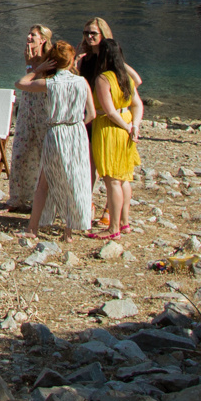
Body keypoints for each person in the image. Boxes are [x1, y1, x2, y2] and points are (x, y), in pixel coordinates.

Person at [80, 17, 142, 240]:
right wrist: (133, 126)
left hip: (107, 125)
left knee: (112, 178)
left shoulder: (104, 77)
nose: (89, 37)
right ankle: (122, 221)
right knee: (122, 177)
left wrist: (127, 125)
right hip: (121, 124)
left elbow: (109, 110)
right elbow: (136, 101)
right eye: (86, 33)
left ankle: (113, 224)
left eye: (93, 34)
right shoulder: (113, 73)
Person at [29, 37, 94, 235]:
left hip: (56, 131)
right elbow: (91, 113)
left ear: (53, 61)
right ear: (72, 60)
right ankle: (69, 231)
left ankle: (33, 227)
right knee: (74, 179)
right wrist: (77, 126)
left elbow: (20, 83)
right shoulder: (81, 82)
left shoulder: (49, 83)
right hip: (76, 132)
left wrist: (37, 69)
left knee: (44, 181)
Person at [3, 25, 55, 214]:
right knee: (20, 151)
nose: (28, 36)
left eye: (33, 34)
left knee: (42, 154)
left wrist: (37, 68)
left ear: (42, 39)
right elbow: (26, 79)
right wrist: (30, 64)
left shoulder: (50, 58)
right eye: (29, 33)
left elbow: (42, 81)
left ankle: (42, 199)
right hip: (26, 107)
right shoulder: (28, 55)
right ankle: (16, 198)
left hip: (43, 108)